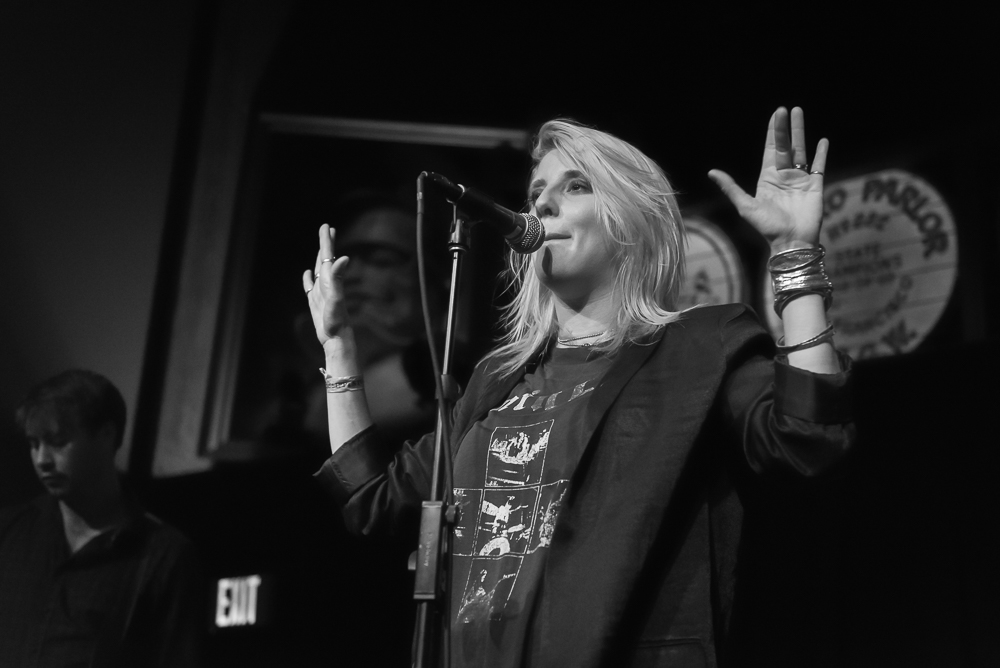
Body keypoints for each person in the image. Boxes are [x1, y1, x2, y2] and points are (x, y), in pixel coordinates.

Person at [302, 108, 855, 667]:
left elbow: (806, 434)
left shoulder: (701, 349)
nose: (541, 203)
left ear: (631, 221)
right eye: (537, 190)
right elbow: (372, 499)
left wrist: (794, 254)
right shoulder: (495, 382)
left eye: (576, 186)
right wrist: (340, 350)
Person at [0, 369, 203, 667]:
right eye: (34, 444)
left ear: (106, 435)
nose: (42, 459)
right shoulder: (9, 532)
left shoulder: (163, 557)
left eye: (57, 441)